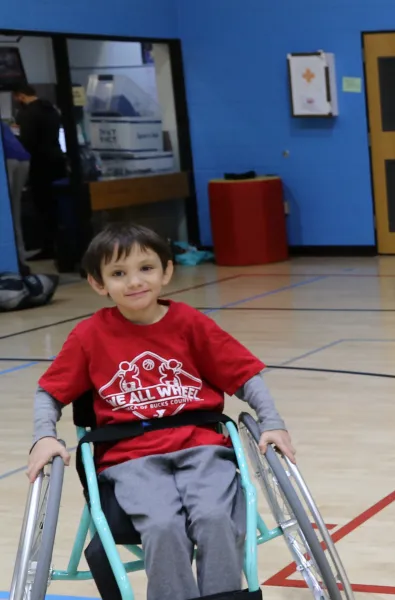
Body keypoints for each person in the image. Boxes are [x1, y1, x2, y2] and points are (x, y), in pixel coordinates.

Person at [26, 222, 297, 600]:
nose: (135, 281)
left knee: (217, 519)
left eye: (146, 268)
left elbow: (246, 376)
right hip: (130, 457)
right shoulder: (90, 335)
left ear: (167, 271)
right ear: (98, 283)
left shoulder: (190, 323)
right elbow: (49, 392)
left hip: (202, 446)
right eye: (119, 273)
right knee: (162, 525)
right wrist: (44, 436)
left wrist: (273, 422)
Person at [13, 85, 66, 260]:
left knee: (43, 207)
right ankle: (62, 246)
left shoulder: (27, 114)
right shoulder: (51, 109)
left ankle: (48, 248)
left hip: (40, 164)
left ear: (21, 96)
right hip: (57, 161)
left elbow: (27, 142)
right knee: (58, 206)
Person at [3, 120, 30, 267]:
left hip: (5, 158)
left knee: (5, 214)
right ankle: (20, 258)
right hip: (22, 157)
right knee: (14, 211)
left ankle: (12, 261)